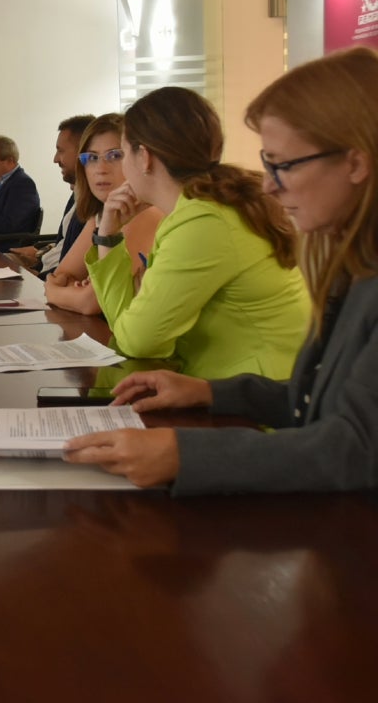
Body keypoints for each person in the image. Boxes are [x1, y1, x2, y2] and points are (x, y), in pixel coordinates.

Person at [63, 47, 378, 494]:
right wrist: (211, 393)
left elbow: (357, 448)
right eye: (268, 164)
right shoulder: (352, 260)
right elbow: (312, 400)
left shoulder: (206, 218)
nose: (269, 183)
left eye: (284, 165)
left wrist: (183, 454)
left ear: (356, 163)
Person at [82, 86, 309, 380]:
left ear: (144, 158)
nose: (120, 165)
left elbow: (138, 341)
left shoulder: (204, 221)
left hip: (259, 408)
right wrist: (108, 234)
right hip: (234, 390)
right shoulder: (199, 210)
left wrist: (108, 236)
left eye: (122, 154)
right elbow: (128, 327)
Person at [45, 114, 163, 315]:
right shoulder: (104, 213)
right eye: (91, 158)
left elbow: (91, 303)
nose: (100, 169)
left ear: (139, 159)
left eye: (115, 156)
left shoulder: (146, 212)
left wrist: (54, 293)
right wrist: (77, 289)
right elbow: (62, 274)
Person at [9, 114, 95, 276]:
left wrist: (38, 276)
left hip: (51, 278)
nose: (55, 159)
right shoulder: (77, 193)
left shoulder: (96, 203)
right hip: (45, 269)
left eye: (60, 151)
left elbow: (74, 270)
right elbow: (64, 244)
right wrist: (41, 253)